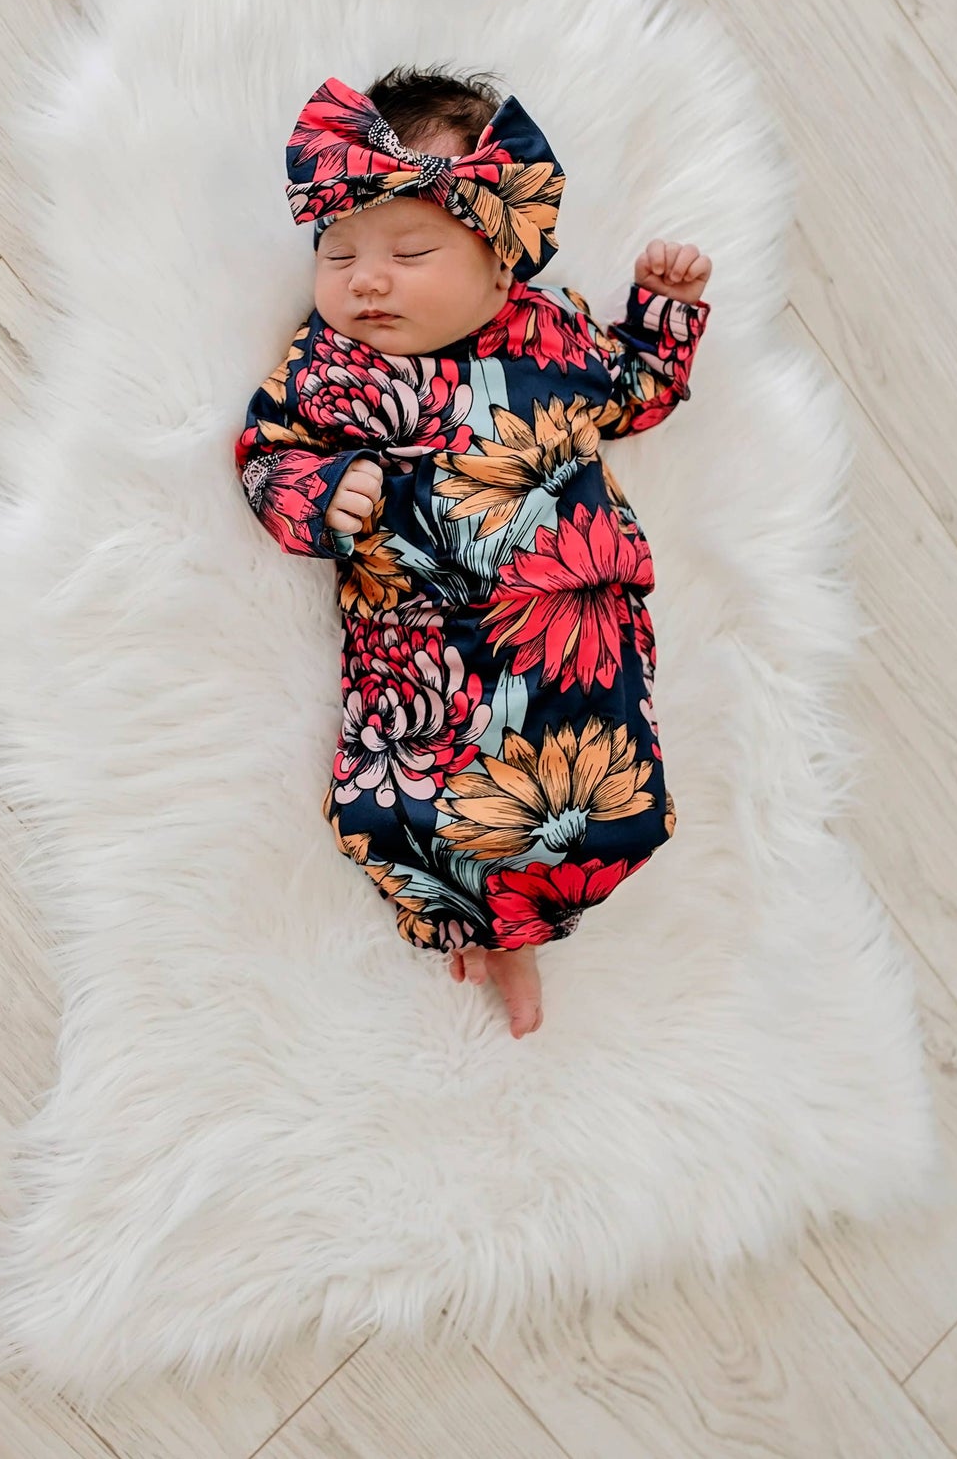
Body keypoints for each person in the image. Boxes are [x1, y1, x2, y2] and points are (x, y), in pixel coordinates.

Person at [234, 66, 712, 1038]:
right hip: (419, 651)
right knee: (403, 810)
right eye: (338, 251)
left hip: (572, 633)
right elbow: (265, 455)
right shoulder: (327, 367)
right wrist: (324, 494)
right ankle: (469, 924)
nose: (365, 277)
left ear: (500, 263)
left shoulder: (555, 335)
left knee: (592, 800)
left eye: (410, 249)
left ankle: (517, 930)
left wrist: (661, 315)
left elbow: (636, 394)